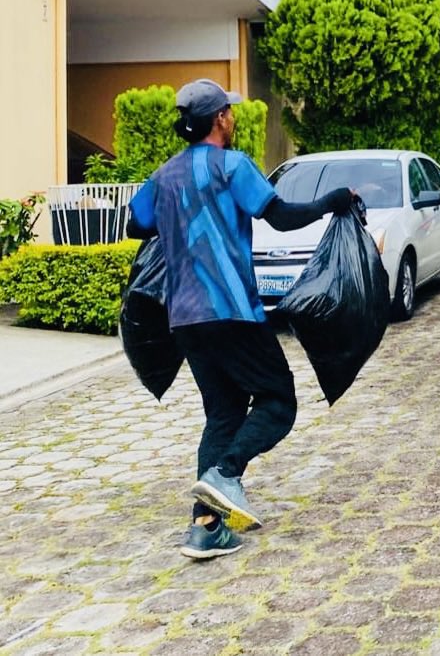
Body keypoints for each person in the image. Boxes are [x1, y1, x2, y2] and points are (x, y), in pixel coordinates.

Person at [127, 78, 354, 561]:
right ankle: (225, 473)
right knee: (279, 400)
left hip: (184, 317)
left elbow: (135, 224)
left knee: (224, 413)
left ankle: (205, 529)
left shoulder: (164, 175)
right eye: (227, 113)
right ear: (219, 120)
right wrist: (330, 202)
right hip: (231, 309)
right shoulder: (231, 166)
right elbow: (280, 215)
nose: (232, 118)